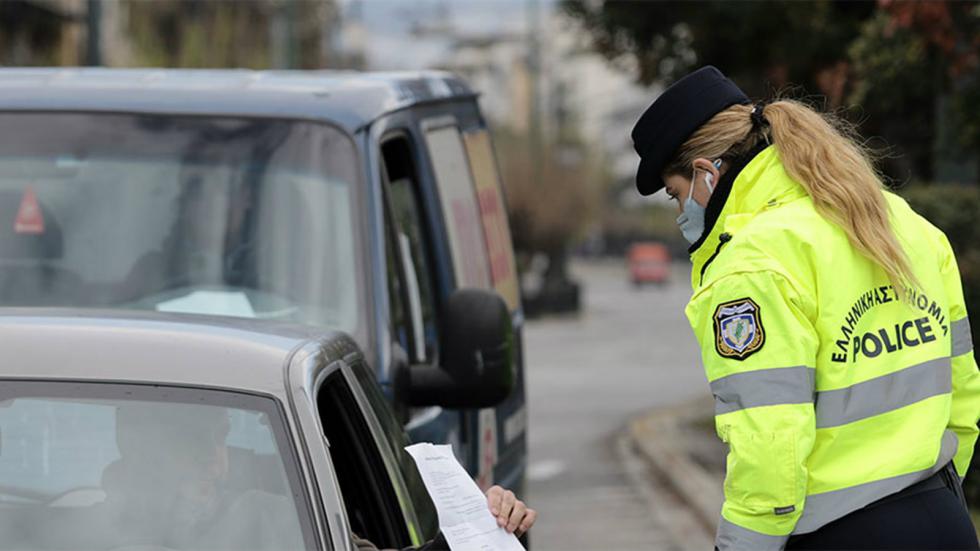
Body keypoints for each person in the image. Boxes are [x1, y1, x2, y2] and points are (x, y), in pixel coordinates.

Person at [631, 65, 980, 550]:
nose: (679, 212)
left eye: (675, 193)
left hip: (844, 534)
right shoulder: (902, 222)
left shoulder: (752, 264)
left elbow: (770, 450)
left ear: (708, 174)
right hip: (945, 520)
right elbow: (962, 393)